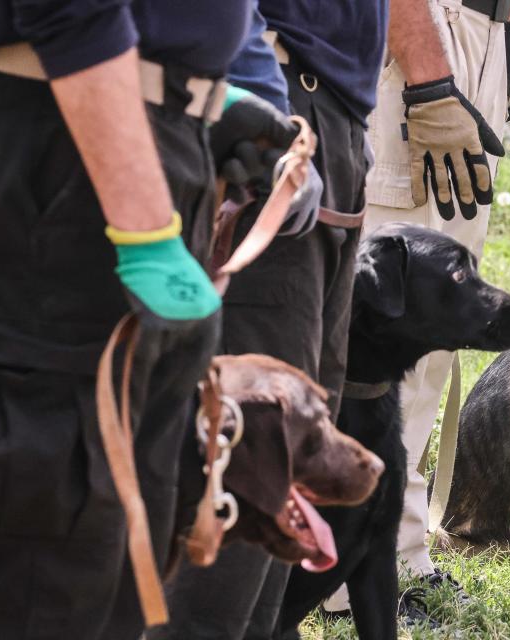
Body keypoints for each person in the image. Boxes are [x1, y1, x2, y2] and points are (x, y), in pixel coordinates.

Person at [0, 3, 297, 639]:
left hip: (148, 139)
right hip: (72, 149)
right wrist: (145, 224)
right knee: (51, 537)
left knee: (130, 534)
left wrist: (211, 96)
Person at [147, 2, 386, 639]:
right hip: (276, 112)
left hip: (334, 120)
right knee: (245, 452)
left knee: (295, 450)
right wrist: (264, 115)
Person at [320, 0, 510, 626]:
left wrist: (509, 25)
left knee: (439, 333)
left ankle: (400, 552)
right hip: (425, 36)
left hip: (475, 35)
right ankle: (345, 572)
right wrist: (429, 73)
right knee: (395, 319)